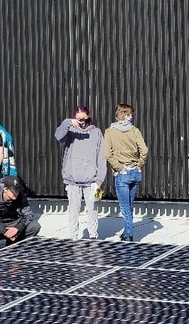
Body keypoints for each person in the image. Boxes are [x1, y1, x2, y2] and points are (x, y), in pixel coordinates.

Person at [55, 105, 107, 240]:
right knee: (73, 210)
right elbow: (58, 136)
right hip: (72, 180)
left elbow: (102, 158)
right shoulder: (70, 131)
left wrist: (99, 180)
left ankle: (93, 236)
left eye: (84, 118)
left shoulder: (96, 132)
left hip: (92, 181)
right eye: (79, 119)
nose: (82, 122)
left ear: (88, 116)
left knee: (93, 209)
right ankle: (73, 236)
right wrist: (68, 122)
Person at [104, 103, 149, 243]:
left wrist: (119, 168)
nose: (131, 117)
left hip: (122, 172)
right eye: (130, 115)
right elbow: (144, 150)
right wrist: (139, 164)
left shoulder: (110, 132)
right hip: (134, 171)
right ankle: (126, 231)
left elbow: (108, 154)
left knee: (125, 207)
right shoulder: (135, 131)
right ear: (125, 115)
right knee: (129, 205)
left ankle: (129, 234)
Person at [0, 176, 41, 253]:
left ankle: (13, 243)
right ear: (5, 189)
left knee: (35, 226)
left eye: (18, 190)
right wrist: (4, 230)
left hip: (14, 224)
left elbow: (28, 215)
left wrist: (17, 228)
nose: (17, 193)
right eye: (14, 190)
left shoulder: (20, 195)